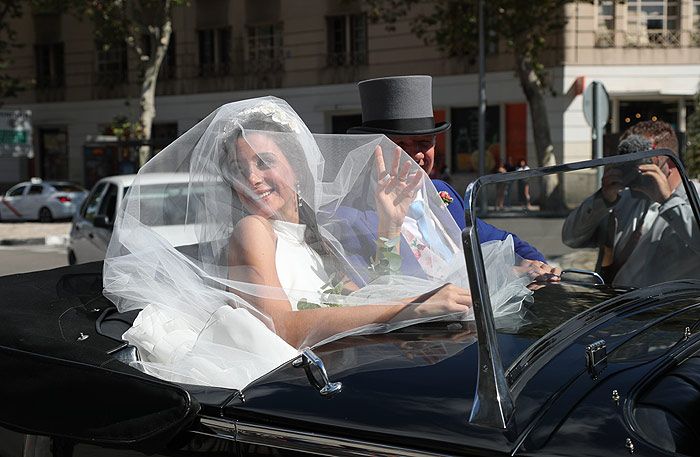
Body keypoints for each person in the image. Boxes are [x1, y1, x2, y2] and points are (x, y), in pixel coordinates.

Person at [103, 97, 534, 389]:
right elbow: (280, 328)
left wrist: (388, 225)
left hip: (337, 365)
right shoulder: (253, 229)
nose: (252, 178)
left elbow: (369, 293)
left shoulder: (315, 230)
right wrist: (408, 309)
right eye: (239, 168)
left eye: (264, 161)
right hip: (285, 377)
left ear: (295, 163)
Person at [348, 75, 555, 270]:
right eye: (400, 144)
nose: (416, 155)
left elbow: (499, 239)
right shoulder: (352, 215)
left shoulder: (440, 191)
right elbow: (379, 293)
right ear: (374, 148)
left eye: (424, 142)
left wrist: (535, 263)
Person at [562, 120, 700, 287]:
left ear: (668, 162)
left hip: (669, 310)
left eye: (641, 161)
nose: (633, 171)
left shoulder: (695, 197)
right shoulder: (623, 198)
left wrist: (668, 201)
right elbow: (571, 238)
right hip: (614, 307)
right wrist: (603, 199)